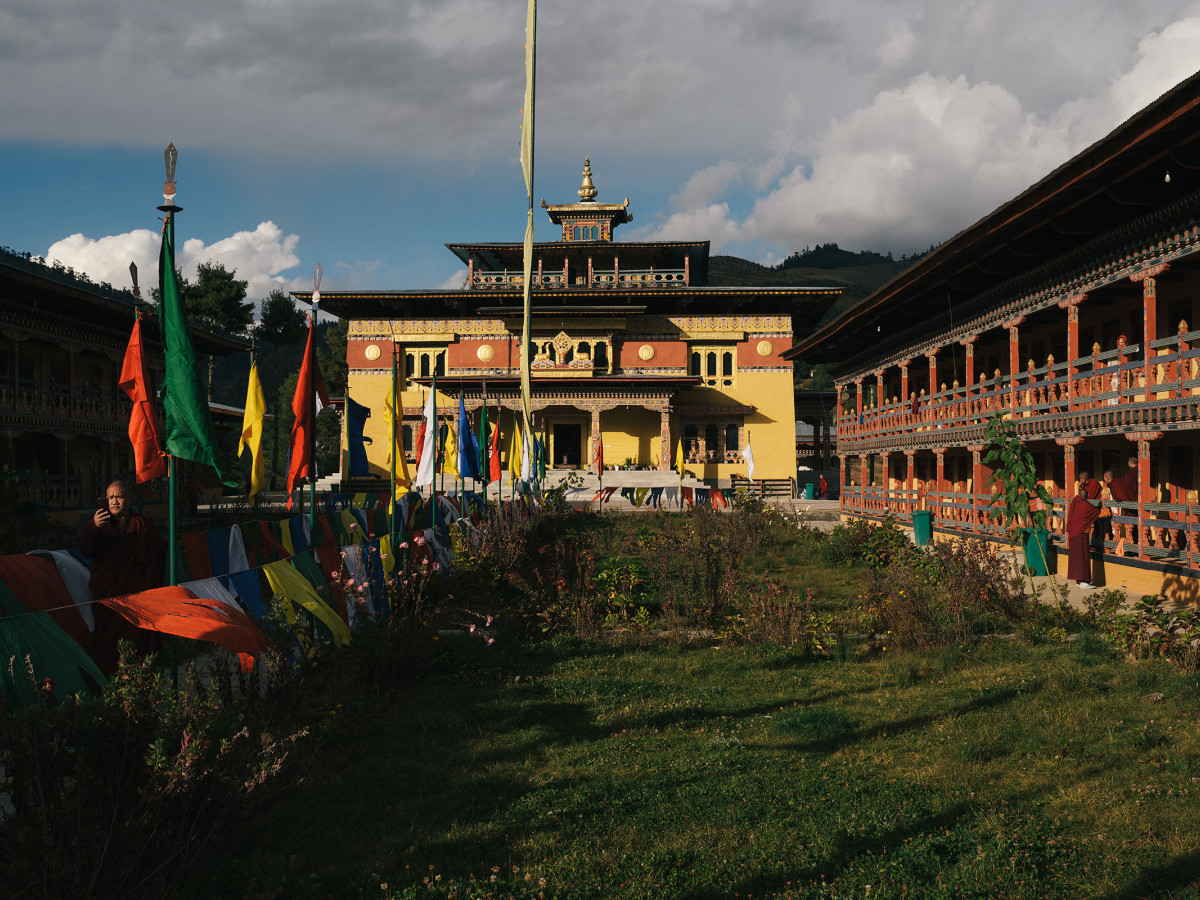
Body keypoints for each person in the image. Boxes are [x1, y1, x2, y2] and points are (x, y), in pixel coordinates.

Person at [79, 480, 166, 675]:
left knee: (138, 645)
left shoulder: (144, 525)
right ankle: (108, 687)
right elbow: (86, 550)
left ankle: (138, 686)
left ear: (130, 498)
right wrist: (94, 527)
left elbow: (159, 557)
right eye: (110, 497)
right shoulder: (99, 524)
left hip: (138, 598)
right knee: (107, 642)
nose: (114, 502)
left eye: (119, 496)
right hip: (108, 597)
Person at [1065, 472, 1102, 589]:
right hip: (1081, 534)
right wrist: (1106, 512)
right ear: (1086, 497)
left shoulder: (1075, 502)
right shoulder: (1085, 505)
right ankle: (1084, 582)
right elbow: (1097, 513)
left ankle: (1078, 580)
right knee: (1083, 557)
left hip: (1073, 534)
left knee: (1075, 558)